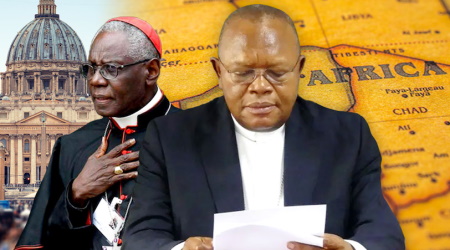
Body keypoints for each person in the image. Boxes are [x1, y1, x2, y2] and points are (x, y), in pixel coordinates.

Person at [123, 4, 405, 250]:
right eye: (243, 73)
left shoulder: (348, 135)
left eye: (277, 73)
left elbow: (383, 235)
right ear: (218, 72)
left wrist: (351, 249)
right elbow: (141, 237)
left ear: (300, 68)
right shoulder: (170, 137)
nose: (260, 87)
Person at [15, 16, 178, 250]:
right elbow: (43, 241)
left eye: (111, 69)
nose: (95, 81)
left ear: (151, 71)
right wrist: (76, 194)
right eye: (90, 69)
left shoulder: (202, 137)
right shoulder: (71, 145)